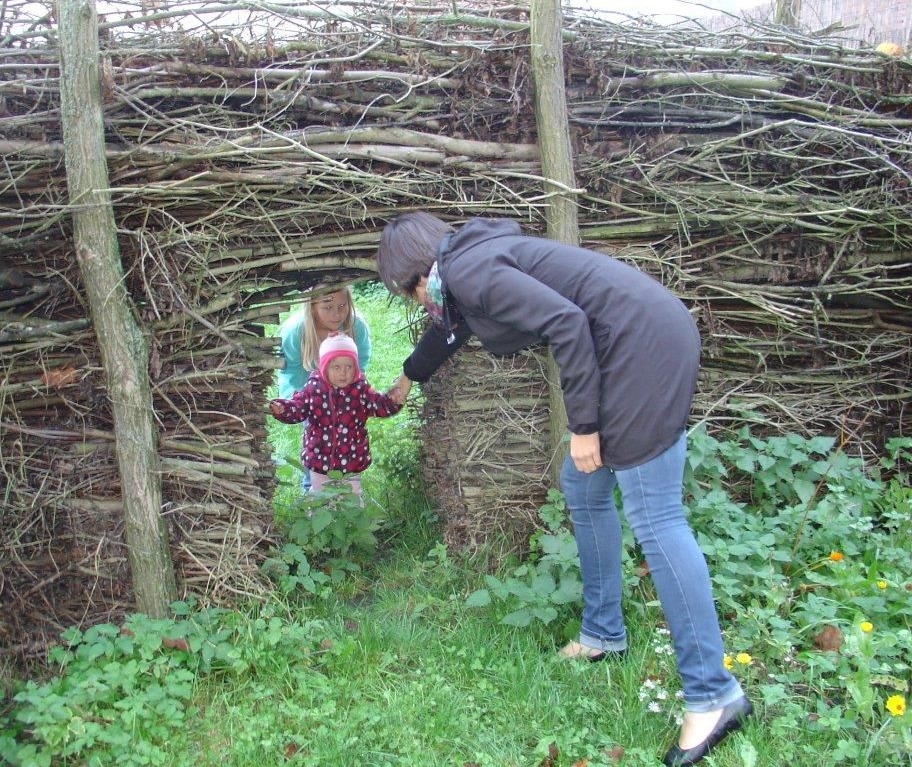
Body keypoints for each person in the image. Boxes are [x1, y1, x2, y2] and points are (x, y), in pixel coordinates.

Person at [377, 212, 750, 767]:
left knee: (657, 519)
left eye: (406, 292)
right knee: (583, 484)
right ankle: (603, 632)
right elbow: (451, 328)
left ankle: (713, 694)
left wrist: (584, 427)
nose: (416, 303)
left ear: (415, 273)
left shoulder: (471, 271)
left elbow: (568, 324)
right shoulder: (468, 268)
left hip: (640, 350)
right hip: (639, 340)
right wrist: (409, 375)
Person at [269, 333, 400, 496]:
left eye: (349, 367)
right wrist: (284, 409)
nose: (343, 373)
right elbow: (299, 407)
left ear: (356, 368)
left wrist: (393, 401)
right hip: (319, 455)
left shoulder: (360, 390)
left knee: (352, 495)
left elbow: (378, 405)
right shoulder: (314, 388)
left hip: (351, 456)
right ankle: (318, 519)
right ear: (324, 367)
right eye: (336, 367)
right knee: (320, 495)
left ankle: (351, 520)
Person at [276, 286, 371, 490]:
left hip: (345, 395)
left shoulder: (356, 326)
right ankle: (313, 492)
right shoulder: (295, 332)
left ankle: (347, 493)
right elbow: (291, 373)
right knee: (317, 446)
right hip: (310, 397)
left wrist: (353, 394)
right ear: (311, 307)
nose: (337, 313)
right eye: (327, 307)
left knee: (347, 442)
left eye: (342, 305)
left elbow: (360, 361)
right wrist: (306, 403)